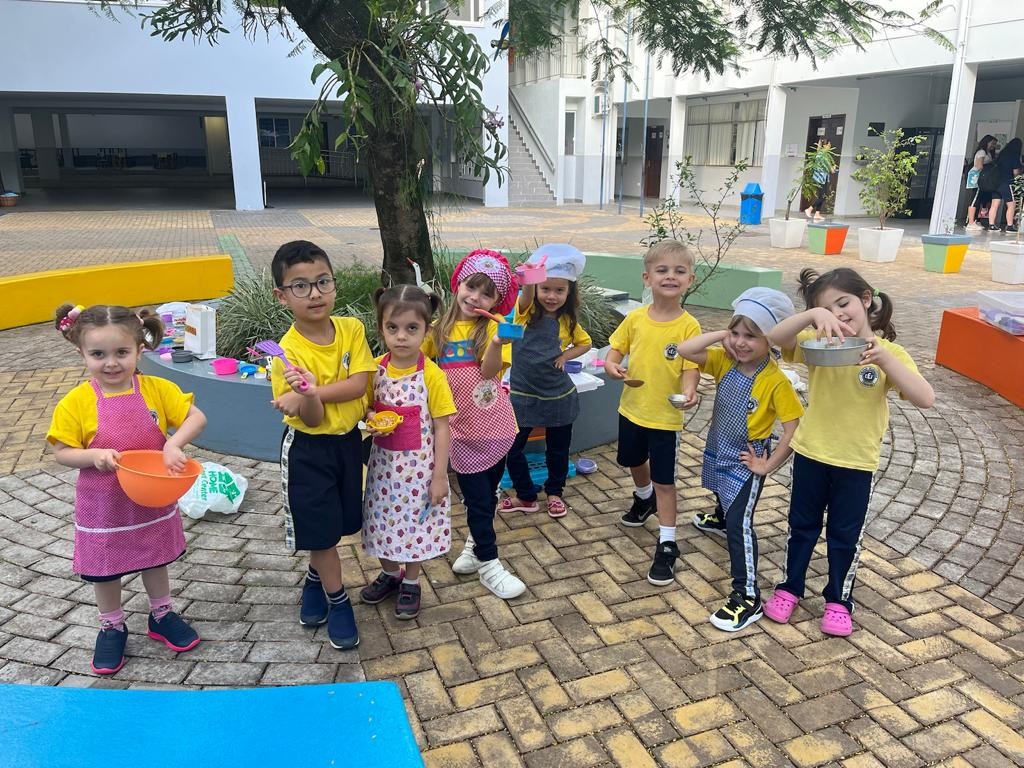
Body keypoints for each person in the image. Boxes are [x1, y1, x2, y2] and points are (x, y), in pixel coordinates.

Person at [762, 268, 934, 637]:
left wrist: (885, 360)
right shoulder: (817, 344)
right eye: (827, 309)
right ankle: (789, 588)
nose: (838, 315)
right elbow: (774, 337)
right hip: (811, 454)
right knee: (801, 527)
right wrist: (812, 315)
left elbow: (925, 398)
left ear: (866, 299)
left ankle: (839, 601)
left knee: (845, 535)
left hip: (856, 463)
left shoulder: (890, 355)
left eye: (844, 304)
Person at [47, 304, 207, 675]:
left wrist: (173, 443)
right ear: (82, 353)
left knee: (155, 556)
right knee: (105, 569)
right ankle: (112, 626)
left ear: (139, 349)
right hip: (104, 504)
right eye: (98, 354)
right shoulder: (76, 403)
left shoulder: (156, 390)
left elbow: (196, 417)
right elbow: (62, 452)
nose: (111, 363)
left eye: (122, 352)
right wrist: (93, 456)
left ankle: (161, 614)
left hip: (151, 497)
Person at [269, 240, 377, 650]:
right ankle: (338, 600)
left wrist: (312, 392)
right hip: (307, 452)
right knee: (322, 535)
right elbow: (311, 419)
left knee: (342, 523)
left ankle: (315, 578)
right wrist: (307, 399)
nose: (314, 293)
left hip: (348, 443)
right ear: (282, 295)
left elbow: (359, 384)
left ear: (333, 283)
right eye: (300, 286)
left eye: (322, 281)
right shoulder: (286, 354)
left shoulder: (351, 329)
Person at [679, 289, 803, 631]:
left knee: (741, 524)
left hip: (747, 461)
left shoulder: (775, 381)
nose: (740, 342)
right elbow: (686, 350)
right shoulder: (725, 361)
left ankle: (747, 596)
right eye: (735, 333)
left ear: (770, 340)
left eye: (751, 335)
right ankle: (721, 517)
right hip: (720, 447)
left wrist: (767, 466)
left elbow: (794, 428)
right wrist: (723, 335)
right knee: (722, 494)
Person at [424, 249, 526, 599]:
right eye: (471, 286)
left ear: (497, 301)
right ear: (458, 284)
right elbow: (417, 366)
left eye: (487, 293)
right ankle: (489, 563)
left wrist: (497, 342)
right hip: (458, 429)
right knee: (478, 499)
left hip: (495, 425)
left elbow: (488, 371)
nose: (475, 297)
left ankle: (473, 545)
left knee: (487, 494)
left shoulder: (495, 329)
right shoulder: (436, 330)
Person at [604, 240, 701, 586]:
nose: (670, 276)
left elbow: (691, 367)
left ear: (689, 279)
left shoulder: (689, 326)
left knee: (665, 480)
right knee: (631, 460)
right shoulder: (635, 319)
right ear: (647, 278)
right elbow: (615, 351)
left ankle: (668, 542)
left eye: (679, 271)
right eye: (662, 270)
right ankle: (644, 499)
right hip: (632, 409)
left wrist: (690, 390)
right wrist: (612, 366)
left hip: (665, 418)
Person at [360, 285, 456, 619]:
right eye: (393, 327)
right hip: (383, 470)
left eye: (412, 328)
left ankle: (411, 582)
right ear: (381, 329)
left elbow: (443, 427)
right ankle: (390, 574)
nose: (401, 336)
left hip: (419, 473)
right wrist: (371, 418)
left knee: (416, 526)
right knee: (380, 521)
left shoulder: (432, 375)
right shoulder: (374, 369)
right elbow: (365, 407)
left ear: (426, 330)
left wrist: (440, 476)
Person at [500, 244, 592, 519]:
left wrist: (565, 356)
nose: (552, 296)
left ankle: (554, 493)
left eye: (559, 290)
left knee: (558, 450)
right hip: (523, 395)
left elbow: (585, 343)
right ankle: (526, 495)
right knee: (512, 448)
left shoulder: (569, 321)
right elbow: (526, 296)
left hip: (558, 396)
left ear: (569, 292)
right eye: (546, 289)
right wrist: (529, 279)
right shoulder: (525, 312)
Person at [988, 137, 1022, 232]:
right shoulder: (1014, 156)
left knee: (994, 205)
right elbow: (1016, 173)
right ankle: (1010, 226)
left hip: (996, 183)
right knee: (1011, 205)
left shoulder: (1001, 155)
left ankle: (991, 225)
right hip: (1007, 182)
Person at [964, 134, 997, 230]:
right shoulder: (982, 152)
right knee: (975, 199)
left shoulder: (988, 153)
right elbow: (979, 166)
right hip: (978, 178)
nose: (993, 146)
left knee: (979, 199)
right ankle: (970, 222)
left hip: (982, 179)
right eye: (992, 143)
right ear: (987, 142)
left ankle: (975, 220)